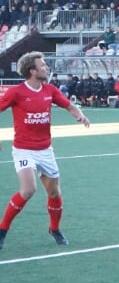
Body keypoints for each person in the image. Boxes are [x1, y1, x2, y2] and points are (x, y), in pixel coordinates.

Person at [0, 52, 91, 249]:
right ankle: (2, 229)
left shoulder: (49, 90)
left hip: (45, 150)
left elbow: (68, 105)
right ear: (32, 71)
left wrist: (80, 116)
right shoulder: (16, 92)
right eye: (42, 65)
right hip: (23, 149)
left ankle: (54, 228)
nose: (46, 68)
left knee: (54, 193)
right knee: (28, 190)